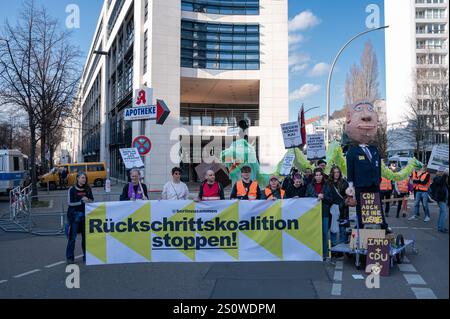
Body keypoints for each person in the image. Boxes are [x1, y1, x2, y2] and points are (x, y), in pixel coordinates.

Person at [345, 101, 390, 232]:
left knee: (377, 206)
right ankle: (360, 227)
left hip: (374, 183)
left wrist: (379, 179)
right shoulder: (352, 152)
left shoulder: (374, 149)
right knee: (361, 207)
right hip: (361, 185)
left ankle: (383, 226)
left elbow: (378, 166)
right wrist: (351, 186)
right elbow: (350, 170)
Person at [66, 172, 94, 264]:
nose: (84, 179)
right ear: (77, 178)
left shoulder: (88, 188)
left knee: (85, 238)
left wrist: (88, 200)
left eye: (85, 178)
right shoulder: (72, 189)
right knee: (72, 238)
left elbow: (92, 200)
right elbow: (69, 203)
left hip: (85, 216)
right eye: (82, 178)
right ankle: (70, 257)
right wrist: (81, 202)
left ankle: (86, 256)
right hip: (74, 217)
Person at [323, 166, 350, 255]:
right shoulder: (328, 183)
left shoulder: (344, 183)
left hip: (343, 209)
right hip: (332, 208)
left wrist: (342, 204)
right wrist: (332, 203)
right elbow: (326, 195)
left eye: (338, 172)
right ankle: (334, 249)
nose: (336, 174)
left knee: (343, 229)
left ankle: (342, 249)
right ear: (332, 173)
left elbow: (348, 196)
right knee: (333, 229)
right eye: (335, 172)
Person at [306, 168, 328, 260]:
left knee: (324, 233)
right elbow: (306, 197)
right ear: (314, 176)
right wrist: (316, 196)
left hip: (324, 212)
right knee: (313, 233)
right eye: (316, 175)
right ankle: (313, 253)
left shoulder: (327, 185)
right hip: (313, 213)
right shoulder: (310, 186)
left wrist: (324, 197)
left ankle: (324, 254)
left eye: (320, 175)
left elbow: (331, 198)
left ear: (322, 176)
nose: (318, 177)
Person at [430, 167, 448, 233]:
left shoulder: (442, 178)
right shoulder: (436, 178)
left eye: (442, 171)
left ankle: (441, 227)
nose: (441, 172)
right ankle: (441, 228)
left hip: (443, 198)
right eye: (440, 171)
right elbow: (440, 182)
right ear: (438, 172)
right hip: (440, 198)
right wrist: (445, 175)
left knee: (442, 213)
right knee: (444, 213)